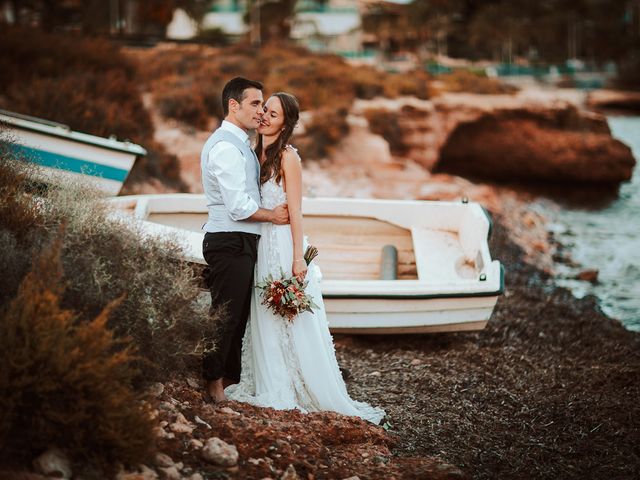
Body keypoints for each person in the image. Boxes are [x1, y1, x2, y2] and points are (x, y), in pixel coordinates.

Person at [226, 92, 385, 424]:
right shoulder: (253, 153)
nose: (265, 117)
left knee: (288, 314)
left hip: (282, 245)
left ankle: (296, 383)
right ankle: (268, 379)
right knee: (263, 312)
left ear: (286, 123)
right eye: (264, 110)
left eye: (274, 114)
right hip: (258, 244)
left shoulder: (288, 157)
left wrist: (298, 259)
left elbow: (296, 211)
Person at [201, 77, 289, 403]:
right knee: (224, 315)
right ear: (233, 105)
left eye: (263, 106)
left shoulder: (243, 144)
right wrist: (273, 216)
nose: (260, 111)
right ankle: (212, 384)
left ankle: (225, 380)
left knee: (236, 317)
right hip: (229, 239)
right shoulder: (225, 146)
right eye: (254, 104)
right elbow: (238, 207)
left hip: (240, 241)